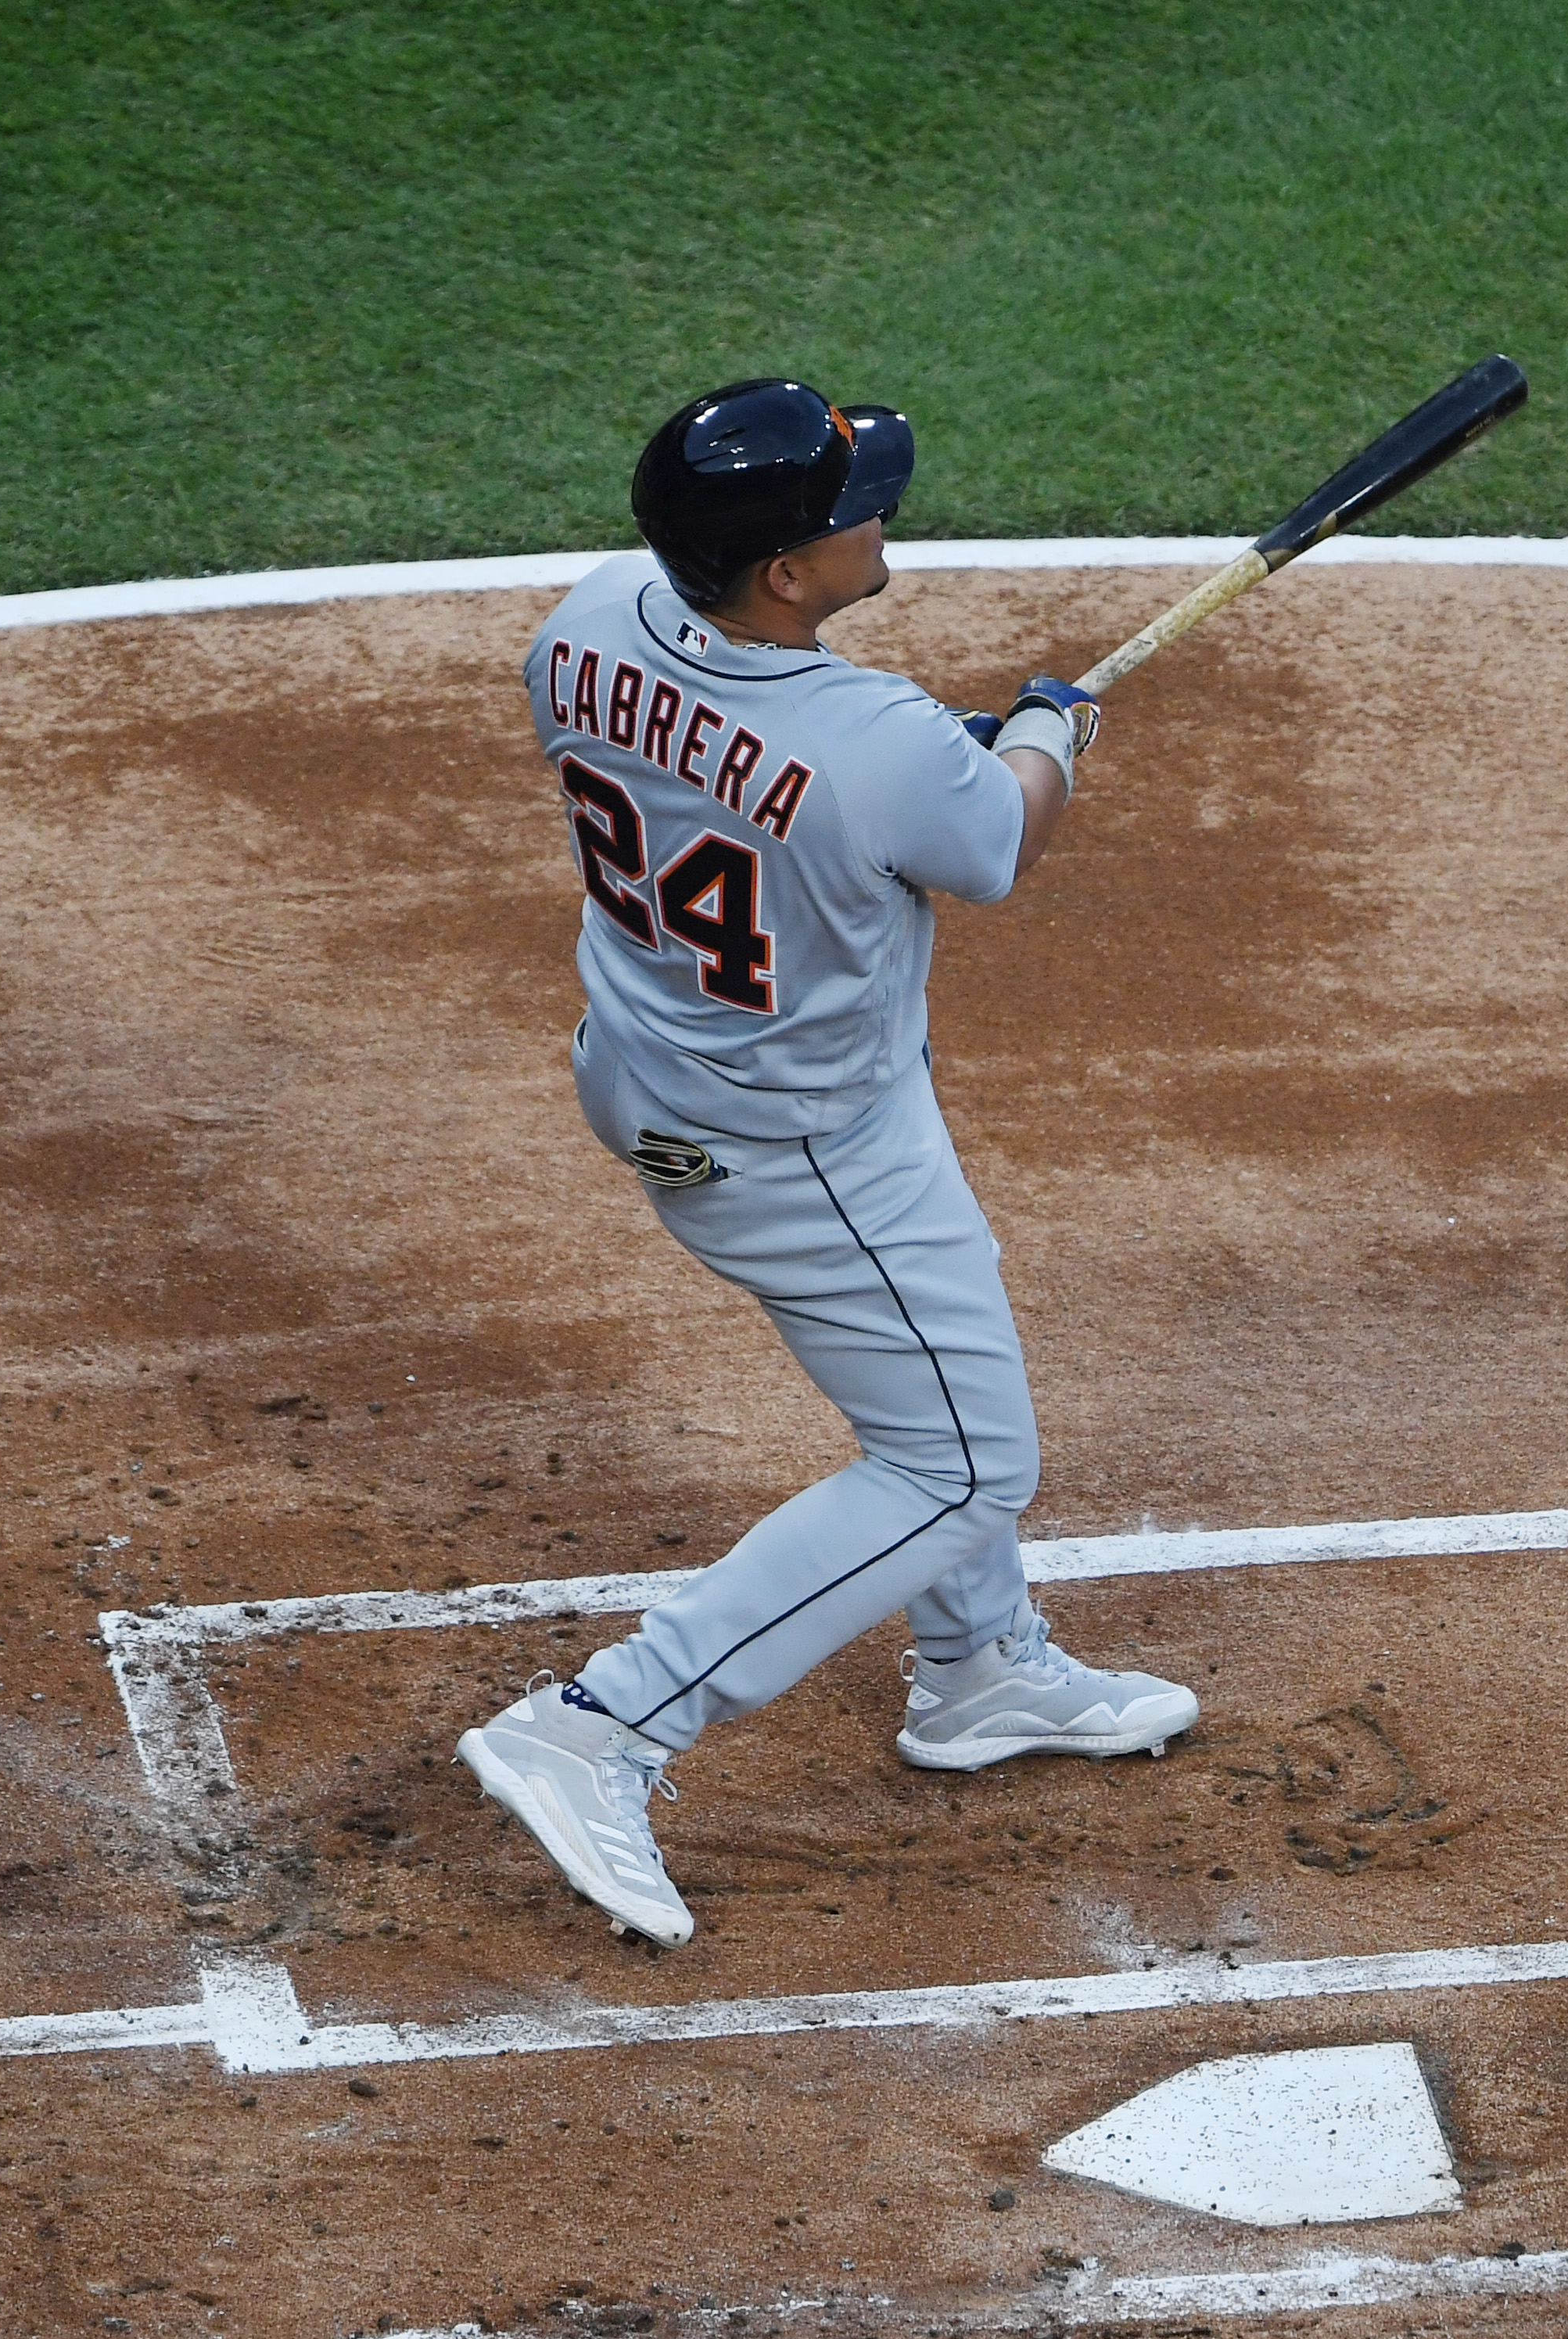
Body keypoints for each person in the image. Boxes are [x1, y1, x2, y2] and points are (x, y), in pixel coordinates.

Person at [457, 379, 1199, 1949]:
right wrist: (1052, 737)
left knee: (946, 1357)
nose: (884, 512)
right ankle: (605, 1721)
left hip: (648, 1064)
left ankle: (980, 1663)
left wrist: (954, 763)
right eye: (856, 504)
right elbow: (994, 840)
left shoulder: (585, 619)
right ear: (786, 573)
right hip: (803, 1141)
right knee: (960, 1458)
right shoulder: (877, 741)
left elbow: (780, 774)